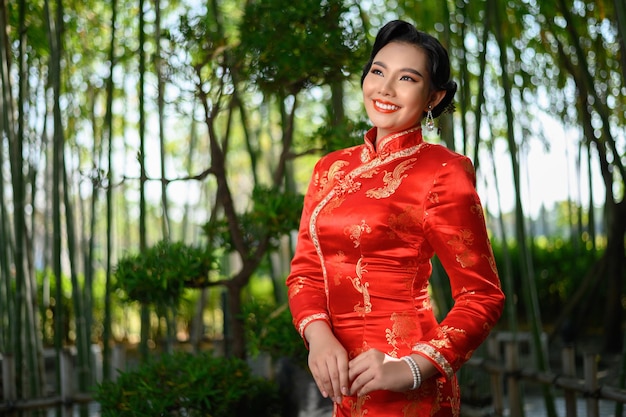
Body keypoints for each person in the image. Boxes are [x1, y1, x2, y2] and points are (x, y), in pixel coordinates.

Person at [286, 19, 505, 417]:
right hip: (342, 383)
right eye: (378, 71)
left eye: (407, 78)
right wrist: (319, 339)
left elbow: (482, 295)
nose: (385, 89)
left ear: (433, 97)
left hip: (407, 384)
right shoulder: (330, 169)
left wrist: (413, 368)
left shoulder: (444, 171)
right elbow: (306, 272)